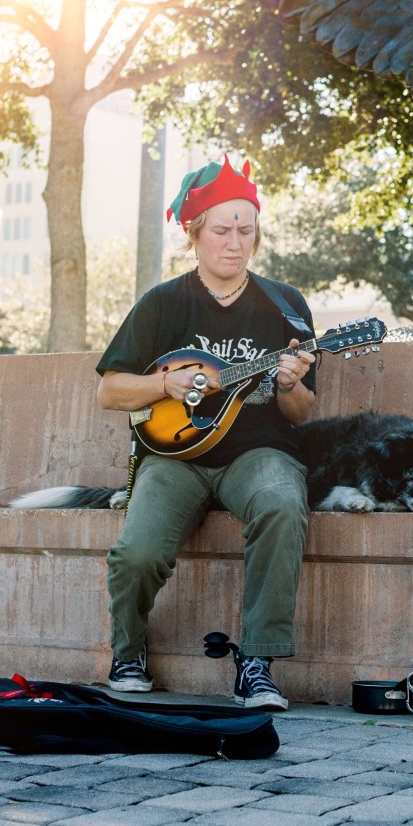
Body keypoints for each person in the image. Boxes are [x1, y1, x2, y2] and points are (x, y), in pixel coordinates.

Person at [96, 155, 316, 710]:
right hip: (174, 457)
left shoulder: (286, 306)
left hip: (257, 450)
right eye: (221, 230)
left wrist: (289, 383)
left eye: (246, 229)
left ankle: (258, 664)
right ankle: (128, 651)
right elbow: (110, 391)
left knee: (282, 505)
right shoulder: (163, 303)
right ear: (195, 234)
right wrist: (166, 387)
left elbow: (301, 412)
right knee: (137, 551)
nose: (235, 241)